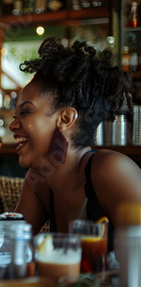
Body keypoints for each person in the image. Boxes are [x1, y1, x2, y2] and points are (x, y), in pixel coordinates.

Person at [9, 38, 141, 255]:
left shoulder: (112, 171)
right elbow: (11, 249)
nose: (13, 125)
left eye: (25, 112)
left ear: (66, 118)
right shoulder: (38, 181)